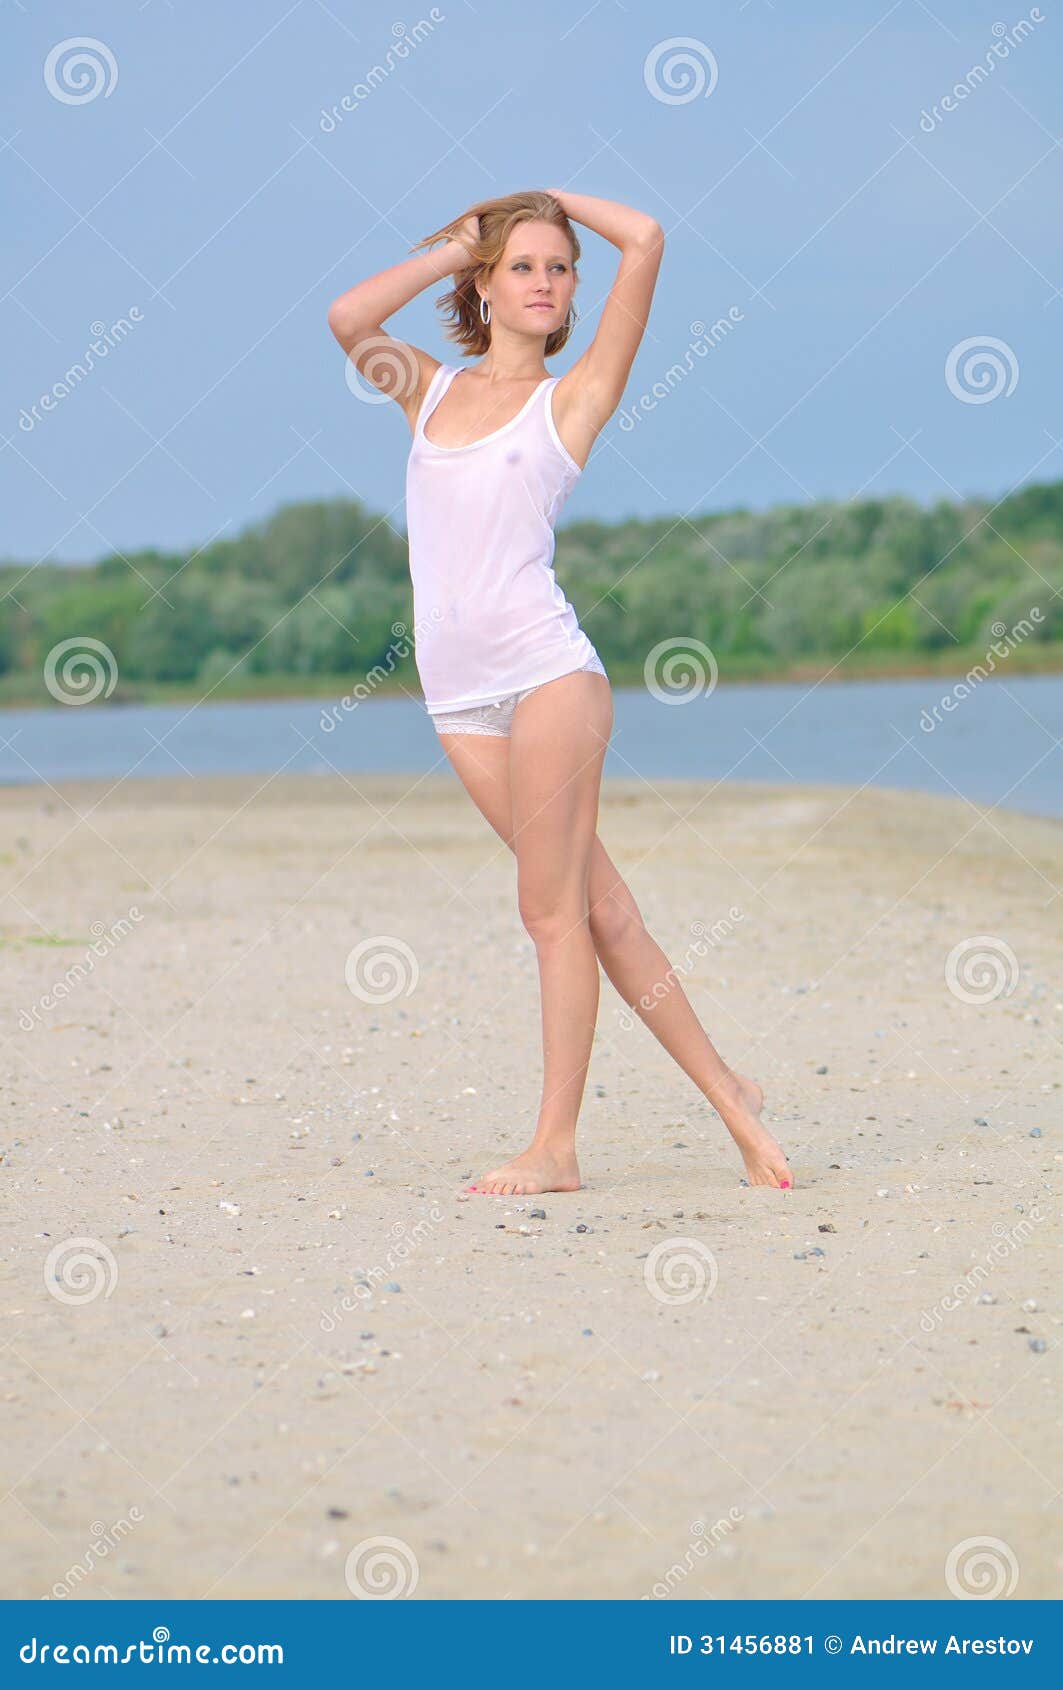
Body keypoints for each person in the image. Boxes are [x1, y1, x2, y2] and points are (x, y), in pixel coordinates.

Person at [327, 188, 792, 1196]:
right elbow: (348, 319)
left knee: (549, 914)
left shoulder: (572, 398)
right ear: (483, 287)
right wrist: (461, 237)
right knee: (602, 909)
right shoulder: (429, 392)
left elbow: (648, 238)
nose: (545, 282)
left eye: (560, 267)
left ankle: (556, 1147)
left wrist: (538, 194)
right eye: (523, 265)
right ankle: (730, 1095)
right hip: (457, 700)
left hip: (548, 676)